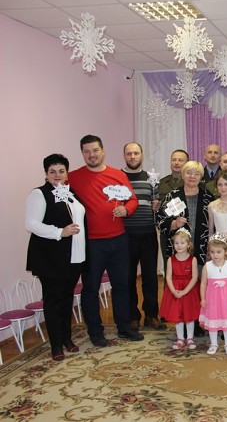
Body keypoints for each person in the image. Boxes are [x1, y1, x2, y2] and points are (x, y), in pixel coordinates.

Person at [68, 134, 143, 347]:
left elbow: (132, 199)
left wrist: (126, 209)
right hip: (92, 244)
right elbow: (56, 192)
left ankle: (124, 328)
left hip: (119, 240)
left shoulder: (117, 175)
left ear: (103, 151)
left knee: (121, 286)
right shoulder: (73, 177)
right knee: (90, 288)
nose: (91, 155)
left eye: (95, 150)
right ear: (82, 153)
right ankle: (95, 332)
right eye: (86, 151)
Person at [25, 154, 86, 361]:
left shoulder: (70, 193)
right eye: (52, 171)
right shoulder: (39, 194)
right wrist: (60, 232)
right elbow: (31, 224)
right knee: (53, 301)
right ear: (46, 173)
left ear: (67, 173)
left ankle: (66, 339)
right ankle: (56, 345)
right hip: (50, 258)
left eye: (61, 171)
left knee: (67, 299)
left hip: (74, 256)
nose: (57, 175)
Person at [158, 160, 213, 338]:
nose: (192, 176)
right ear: (183, 175)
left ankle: (196, 322)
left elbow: (215, 224)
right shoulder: (173, 196)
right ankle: (180, 320)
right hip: (179, 251)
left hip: (201, 249)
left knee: (198, 286)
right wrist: (174, 223)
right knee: (180, 285)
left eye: (196, 174)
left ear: (201, 177)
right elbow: (160, 220)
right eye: (189, 172)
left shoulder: (208, 197)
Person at [122, 142, 164, 332]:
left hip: (148, 233)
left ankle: (151, 315)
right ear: (124, 156)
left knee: (150, 277)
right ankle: (133, 316)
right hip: (125, 235)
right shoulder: (118, 178)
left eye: (136, 153)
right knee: (128, 278)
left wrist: (157, 205)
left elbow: (156, 203)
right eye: (129, 153)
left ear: (142, 155)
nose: (133, 156)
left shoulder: (150, 178)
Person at [159, 229, 200, 350]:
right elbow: (168, 277)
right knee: (178, 315)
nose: (179, 245)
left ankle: (190, 338)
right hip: (175, 290)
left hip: (189, 291)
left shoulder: (193, 259)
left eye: (182, 243)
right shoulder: (170, 260)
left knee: (189, 315)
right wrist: (173, 291)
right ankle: (180, 338)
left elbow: (194, 277)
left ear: (188, 244)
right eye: (176, 243)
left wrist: (185, 291)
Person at [199, 234, 227, 356]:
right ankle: (214, 344)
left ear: (225, 252)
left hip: (226, 300)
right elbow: (203, 283)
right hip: (212, 300)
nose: (215, 255)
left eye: (218, 252)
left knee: (226, 322)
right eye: (212, 252)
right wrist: (203, 298)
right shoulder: (207, 266)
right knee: (213, 321)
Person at [158, 149, 189, 276]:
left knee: (187, 267)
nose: (176, 163)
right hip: (168, 230)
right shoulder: (161, 183)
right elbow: (159, 210)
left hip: (186, 230)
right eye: (174, 160)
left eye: (180, 160)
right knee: (169, 266)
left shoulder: (190, 183)